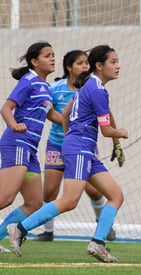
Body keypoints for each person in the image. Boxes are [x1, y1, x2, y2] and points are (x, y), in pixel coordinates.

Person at [7, 45, 128, 263]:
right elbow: (106, 130)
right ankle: (20, 229)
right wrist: (120, 134)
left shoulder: (88, 85)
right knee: (68, 200)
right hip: (80, 148)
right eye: (113, 62)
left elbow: (64, 113)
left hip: (83, 148)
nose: (118, 66)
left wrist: (70, 137)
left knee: (116, 196)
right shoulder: (97, 90)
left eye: (118, 61)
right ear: (99, 66)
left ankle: (98, 243)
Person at [34, 49, 124, 242]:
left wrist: (115, 143)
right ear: (69, 67)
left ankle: (102, 230)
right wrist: (73, 133)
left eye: (86, 63)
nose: (85, 66)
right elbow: (52, 113)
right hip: (63, 144)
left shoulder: (88, 87)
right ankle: (37, 230)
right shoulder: (60, 88)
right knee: (54, 193)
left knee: (97, 191)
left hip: (80, 144)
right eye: (80, 63)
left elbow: (106, 118)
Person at [0, 42, 61, 253]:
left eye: (53, 55)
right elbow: (6, 107)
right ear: (34, 62)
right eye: (47, 55)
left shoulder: (46, 87)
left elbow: (53, 115)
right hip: (17, 142)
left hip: (30, 150)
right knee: (5, 197)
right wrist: (13, 124)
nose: (52, 58)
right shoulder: (29, 80)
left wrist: (78, 116)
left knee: (34, 203)